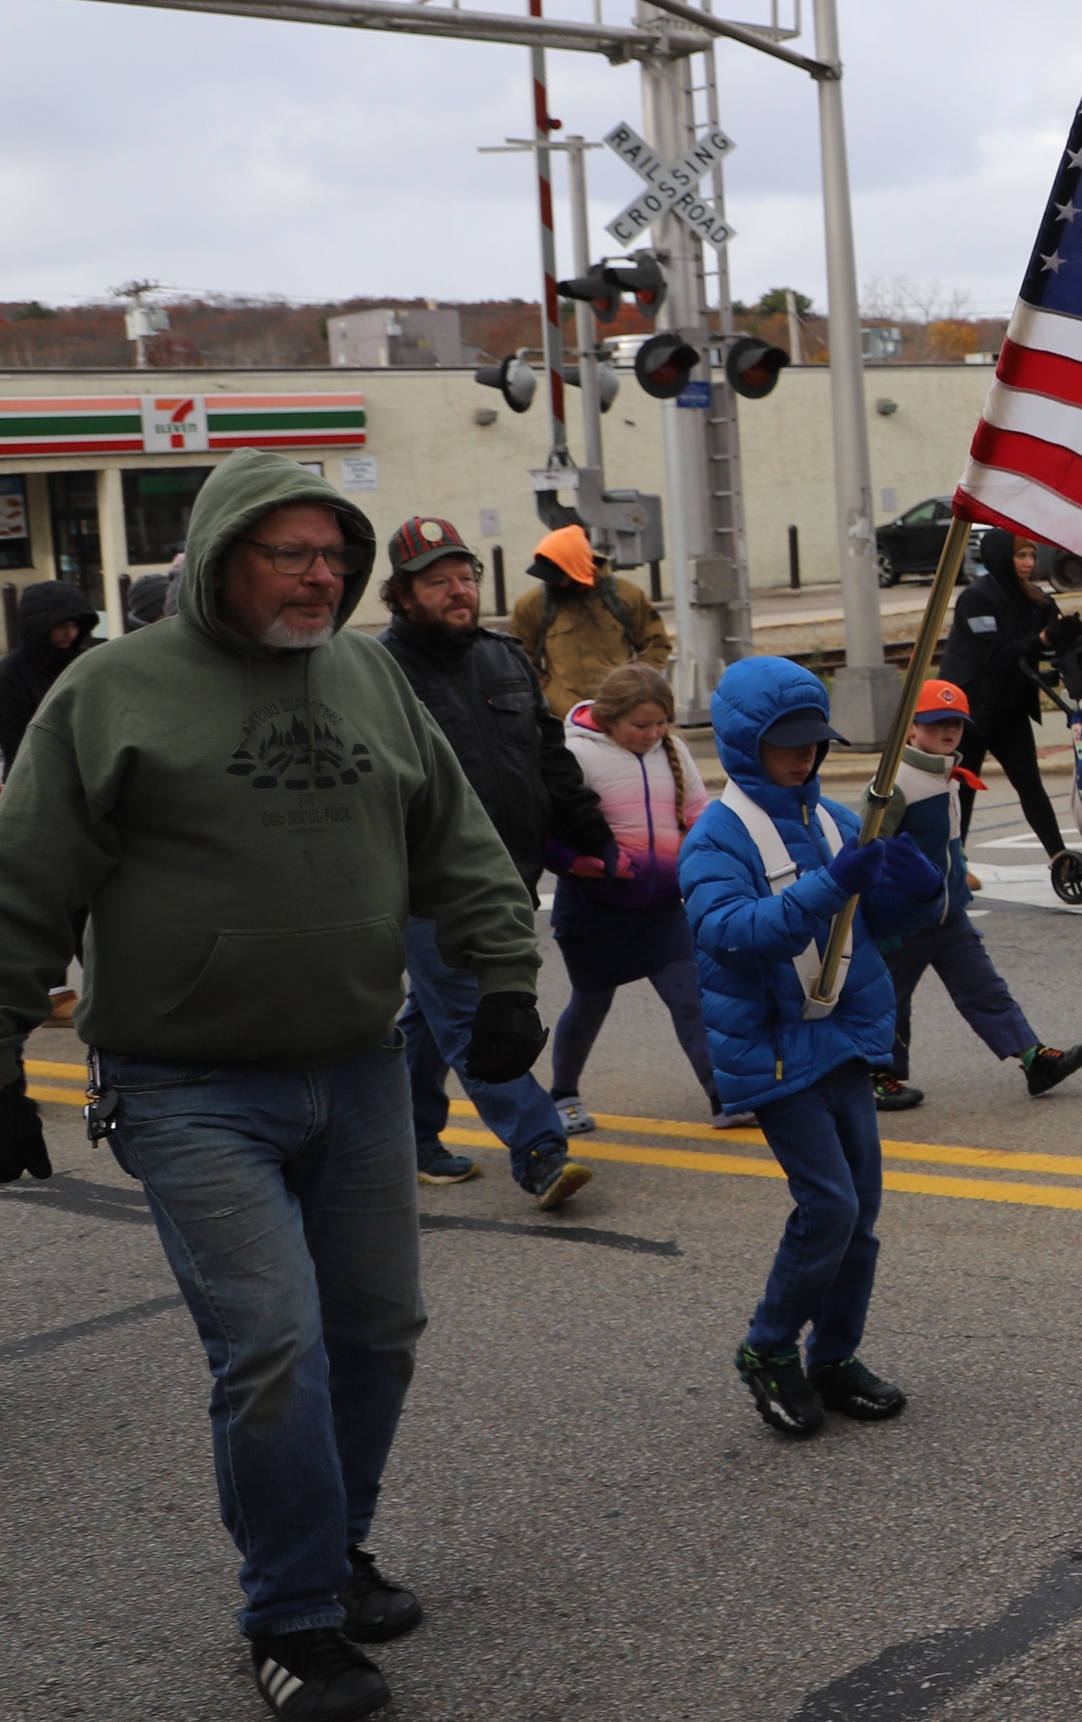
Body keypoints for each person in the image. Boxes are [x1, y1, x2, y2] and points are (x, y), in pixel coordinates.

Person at [0, 451, 544, 1721]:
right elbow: (23, 887)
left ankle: (331, 1550)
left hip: (356, 1068)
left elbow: (452, 832)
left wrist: (504, 972)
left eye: (333, 555)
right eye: (288, 552)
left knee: (376, 1338)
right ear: (215, 555)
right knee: (275, 1347)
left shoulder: (367, 673)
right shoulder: (111, 692)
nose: (321, 575)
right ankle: (292, 1617)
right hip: (188, 1088)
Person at [681, 656, 942, 1438]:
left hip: (842, 1038)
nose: (804, 758)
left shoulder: (829, 819)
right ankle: (768, 1349)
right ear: (740, 746)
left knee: (859, 1213)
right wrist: (830, 887)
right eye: (785, 744)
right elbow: (728, 934)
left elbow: (881, 923)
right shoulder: (717, 837)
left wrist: (920, 883)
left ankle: (834, 1357)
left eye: (813, 743)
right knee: (826, 1205)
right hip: (774, 1051)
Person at [378, 517, 605, 1207]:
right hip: (429, 882)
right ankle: (539, 1149)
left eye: (466, 576)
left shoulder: (503, 658)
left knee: (431, 1016)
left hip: (512, 870)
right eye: (438, 580)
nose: (459, 591)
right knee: (469, 1016)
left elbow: (547, 755)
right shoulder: (378, 674)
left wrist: (588, 831)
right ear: (403, 594)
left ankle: (411, 1138)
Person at [873, 678, 1082, 1109]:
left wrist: (962, 874)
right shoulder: (896, 781)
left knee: (985, 989)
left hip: (950, 913)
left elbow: (948, 843)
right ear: (911, 728)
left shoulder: (947, 774)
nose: (948, 731)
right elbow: (868, 847)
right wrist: (880, 907)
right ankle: (879, 1073)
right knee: (889, 1000)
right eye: (936, 723)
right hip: (904, 919)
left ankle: (1032, 1058)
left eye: (955, 723)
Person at [550, 661, 733, 1129]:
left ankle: (723, 1096)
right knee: (591, 1002)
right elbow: (545, 829)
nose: (653, 734)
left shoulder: (671, 749)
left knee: (690, 996)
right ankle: (563, 1095)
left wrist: (706, 859)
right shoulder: (574, 754)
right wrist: (580, 864)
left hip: (659, 908)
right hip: (595, 908)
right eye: (641, 725)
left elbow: (697, 812)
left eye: (660, 723)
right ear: (610, 719)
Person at [936, 527, 1067, 856]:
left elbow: (1044, 647)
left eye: (1031, 556)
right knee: (963, 788)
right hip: (973, 710)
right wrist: (1041, 640)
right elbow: (993, 655)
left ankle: (1060, 856)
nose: (1028, 562)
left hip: (1010, 708)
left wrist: (1063, 636)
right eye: (1020, 555)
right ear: (1001, 558)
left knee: (1030, 785)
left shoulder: (1036, 598)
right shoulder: (977, 598)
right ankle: (955, 863)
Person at [508, 522, 672, 718]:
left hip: (621, 715)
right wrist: (550, 695)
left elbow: (656, 644)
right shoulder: (531, 606)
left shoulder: (625, 596)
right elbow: (519, 660)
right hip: (563, 719)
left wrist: (634, 687)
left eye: (557, 577)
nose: (549, 581)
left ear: (575, 570)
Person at [0, 577, 98, 776]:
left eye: (74, 625)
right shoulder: (11, 673)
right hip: (32, 776)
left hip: (89, 772)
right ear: (39, 626)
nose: (69, 633)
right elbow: (17, 742)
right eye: (60, 626)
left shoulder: (87, 662)